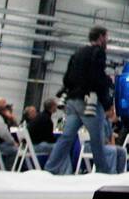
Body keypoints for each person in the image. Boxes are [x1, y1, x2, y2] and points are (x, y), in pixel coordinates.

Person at [44, 26, 115, 175]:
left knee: (66, 138)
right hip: (89, 102)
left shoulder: (77, 52)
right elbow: (96, 77)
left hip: (72, 101)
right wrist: (108, 87)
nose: (107, 40)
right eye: (106, 37)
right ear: (101, 37)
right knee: (97, 139)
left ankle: (50, 168)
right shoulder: (99, 52)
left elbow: (67, 78)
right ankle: (103, 172)